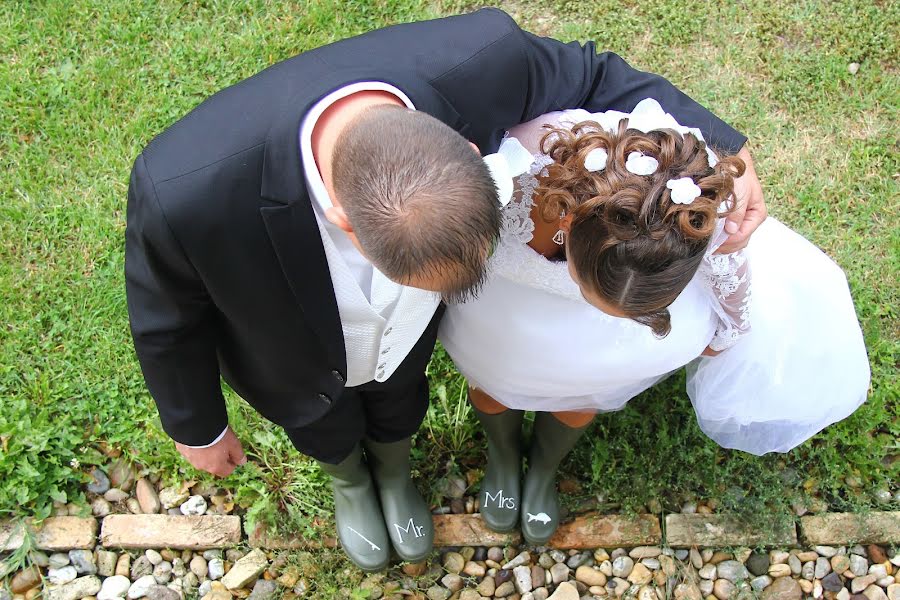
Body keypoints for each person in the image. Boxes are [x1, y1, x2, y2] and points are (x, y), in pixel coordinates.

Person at [125, 8, 766, 570]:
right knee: (321, 423)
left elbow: (596, 73)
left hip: (403, 348)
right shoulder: (184, 193)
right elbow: (166, 321)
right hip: (293, 359)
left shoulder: (487, 58)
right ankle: (351, 483)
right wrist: (198, 427)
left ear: (464, 147)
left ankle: (396, 474)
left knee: (401, 399)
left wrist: (726, 149)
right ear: (347, 220)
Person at [439, 99, 870, 544]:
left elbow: (732, 284)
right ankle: (503, 456)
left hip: (603, 346)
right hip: (508, 314)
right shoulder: (515, 168)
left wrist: (725, 336)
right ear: (569, 221)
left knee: (581, 393)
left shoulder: (696, 215)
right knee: (491, 386)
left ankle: (544, 469)